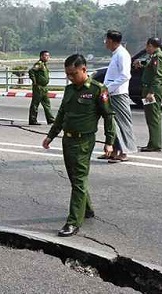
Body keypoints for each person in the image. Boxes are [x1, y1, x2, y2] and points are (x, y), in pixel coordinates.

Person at [42, 54, 116, 237]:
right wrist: (51, 136)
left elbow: (108, 116)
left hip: (84, 141)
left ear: (84, 69)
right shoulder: (69, 90)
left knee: (79, 179)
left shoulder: (97, 89)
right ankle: (87, 209)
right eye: (67, 74)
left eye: (73, 73)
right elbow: (62, 114)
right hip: (67, 140)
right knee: (75, 178)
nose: (70, 77)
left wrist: (109, 142)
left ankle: (73, 221)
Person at [101, 30, 137, 163]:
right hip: (111, 94)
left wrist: (109, 88)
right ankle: (114, 151)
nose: (105, 43)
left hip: (118, 94)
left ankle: (124, 152)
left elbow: (125, 75)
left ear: (111, 41)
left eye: (106, 40)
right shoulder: (116, 54)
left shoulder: (122, 54)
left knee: (122, 123)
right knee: (112, 123)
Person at [136, 37, 162, 152]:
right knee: (150, 117)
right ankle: (152, 142)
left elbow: (158, 75)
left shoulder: (158, 56)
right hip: (149, 88)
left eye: (147, 46)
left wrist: (151, 92)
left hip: (153, 90)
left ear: (151, 45)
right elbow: (150, 67)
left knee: (153, 117)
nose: (146, 49)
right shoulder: (154, 56)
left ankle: (155, 144)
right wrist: (141, 64)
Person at [28, 50, 55, 125]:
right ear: (41, 56)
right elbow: (31, 71)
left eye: (48, 56)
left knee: (47, 103)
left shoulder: (44, 65)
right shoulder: (39, 64)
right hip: (39, 87)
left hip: (44, 87)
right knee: (35, 104)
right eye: (46, 55)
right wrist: (34, 81)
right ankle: (33, 120)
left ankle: (50, 119)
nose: (47, 57)